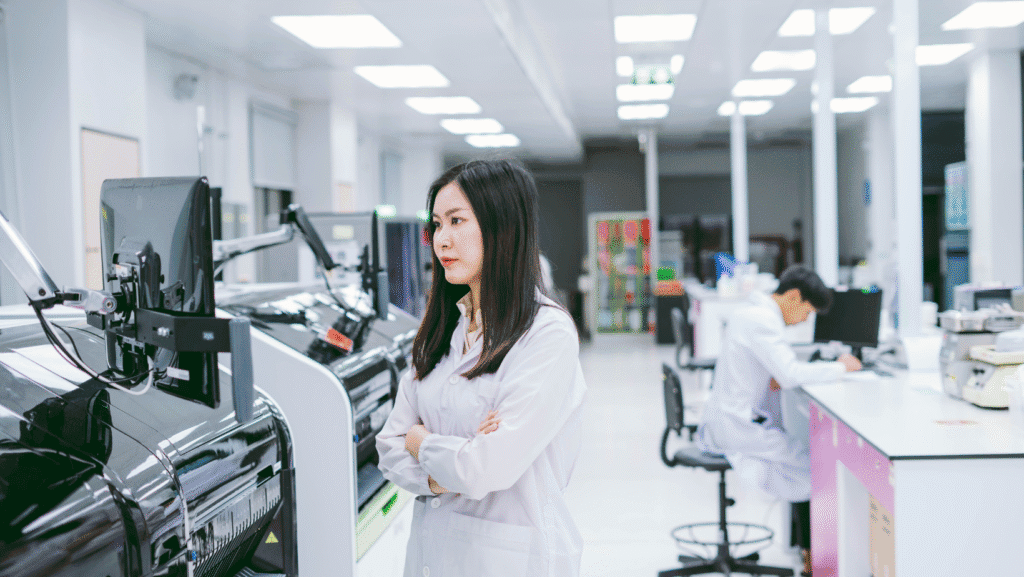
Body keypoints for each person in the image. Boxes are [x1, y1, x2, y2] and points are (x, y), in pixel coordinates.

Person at [376, 159, 587, 577]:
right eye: (436, 224)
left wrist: (421, 440)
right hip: (433, 554)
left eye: (456, 221)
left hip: (510, 558)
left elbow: (486, 469)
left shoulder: (546, 334)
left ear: (501, 227)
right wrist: (447, 464)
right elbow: (388, 447)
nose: (441, 240)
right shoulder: (443, 330)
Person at [695, 265, 861, 576]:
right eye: (808, 311)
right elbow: (790, 374)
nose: (805, 320)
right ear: (794, 297)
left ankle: (808, 550)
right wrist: (841, 368)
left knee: (804, 464)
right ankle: (817, 558)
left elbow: (773, 370)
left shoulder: (754, 314)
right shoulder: (762, 321)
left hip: (732, 420)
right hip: (736, 428)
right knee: (816, 472)